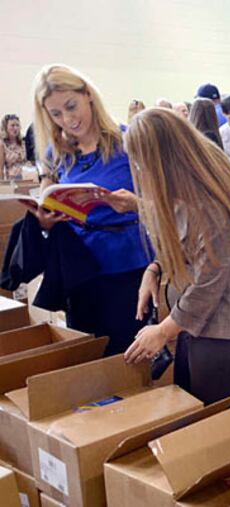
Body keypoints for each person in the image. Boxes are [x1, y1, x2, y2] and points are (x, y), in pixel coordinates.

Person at [123, 108, 230, 405]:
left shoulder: (208, 205)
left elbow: (208, 284)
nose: (140, 171)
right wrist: (154, 268)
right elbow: (186, 242)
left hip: (227, 327)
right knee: (193, 404)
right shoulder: (189, 187)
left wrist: (162, 332)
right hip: (206, 325)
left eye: (141, 163)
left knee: (210, 418)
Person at [32, 64, 151, 356]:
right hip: (80, 268)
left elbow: (165, 206)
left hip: (127, 266)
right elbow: (47, 201)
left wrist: (135, 205)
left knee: (126, 353)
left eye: (71, 107)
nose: (68, 120)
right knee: (87, 353)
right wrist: (45, 221)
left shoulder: (128, 142)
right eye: (56, 114)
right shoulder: (56, 153)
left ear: (88, 95)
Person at [0, 114, 26, 180]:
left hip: (25, 178)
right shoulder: (2, 144)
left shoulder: (22, 142)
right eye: (12, 125)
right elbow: (0, 169)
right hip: (11, 180)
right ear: (6, 128)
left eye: (17, 125)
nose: (15, 128)